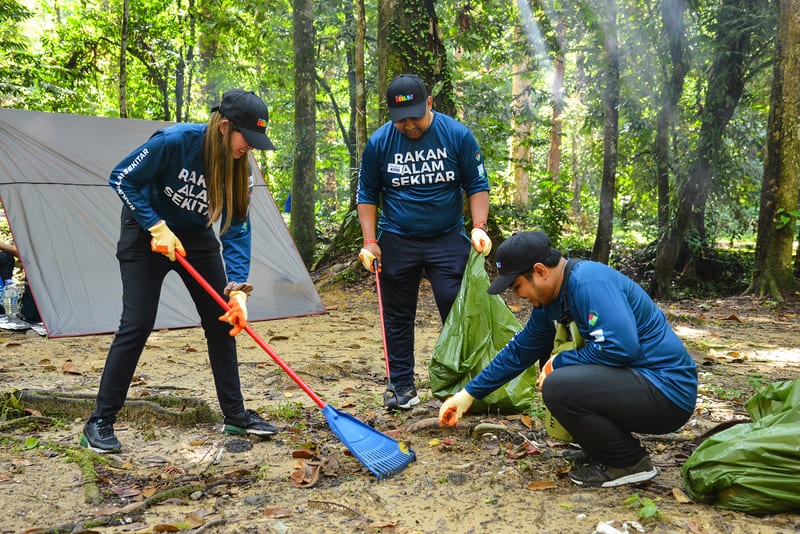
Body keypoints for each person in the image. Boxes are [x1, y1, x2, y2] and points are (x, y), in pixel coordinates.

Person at [82, 89, 279, 453]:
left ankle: (236, 417)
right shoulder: (175, 142)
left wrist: (236, 291)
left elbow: (237, 229)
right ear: (224, 127)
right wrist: (155, 225)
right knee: (137, 323)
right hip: (146, 235)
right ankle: (99, 421)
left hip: (196, 237)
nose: (249, 148)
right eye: (246, 139)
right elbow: (122, 177)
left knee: (223, 322)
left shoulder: (240, 168)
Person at [438, 231, 698, 487]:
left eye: (516, 286)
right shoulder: (550, 300)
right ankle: (606, 450)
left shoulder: (589, 282)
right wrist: (468, 394)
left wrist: (560, 362)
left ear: (540, 271)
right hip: (636, 384)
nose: (517, 295)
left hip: (668, 390)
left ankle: (628, 462)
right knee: (558, 378)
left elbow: (621, 348)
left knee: (559, 383)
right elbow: (519, 351)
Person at [357, 74, 492, 411]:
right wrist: (370, 241)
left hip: (447, 238)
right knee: (397, 314)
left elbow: (476, 184)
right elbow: (367, 194)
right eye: (400, 119)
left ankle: (461, 383)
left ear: (429, 103)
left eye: (415, 116)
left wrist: (479, 227)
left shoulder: (457, 135)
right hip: (398, 239)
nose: (409, 125)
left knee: (455, 307)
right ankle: (402, 386)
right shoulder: (379, 143)